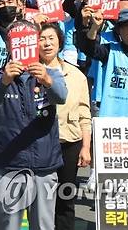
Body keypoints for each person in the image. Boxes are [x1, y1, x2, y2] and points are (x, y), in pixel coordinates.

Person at [0, 21, 68, 230]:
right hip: (9, 165)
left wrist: (46, 79)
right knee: (7, 225)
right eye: (16, 41)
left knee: (44, 225)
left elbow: (62, 96)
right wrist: (4, 80)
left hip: (44, 165)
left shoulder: (50, 73)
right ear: (9, 45)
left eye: (28, 40)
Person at [37, 23, 91, 230]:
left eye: (51, 38)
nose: (47, 43)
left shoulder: (77, 75)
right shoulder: (27, 72)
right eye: (42, 38)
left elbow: (85, 114)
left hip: (69, 143)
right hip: (38, 144)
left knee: (65, 199)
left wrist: (86, 147)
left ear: (60, 42)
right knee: (39, 199)